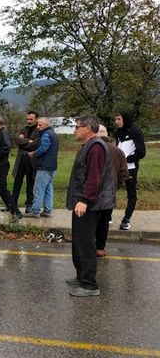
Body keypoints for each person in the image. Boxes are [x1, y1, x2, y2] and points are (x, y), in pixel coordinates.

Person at [66, 115, 115, 297]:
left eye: (77, 127)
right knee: (79, 242)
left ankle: (89, 285)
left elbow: (94, 177)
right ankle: (81, 277)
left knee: (85, 243)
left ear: (87, 128)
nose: (74, 130)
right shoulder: (89, 146)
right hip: (85, 202)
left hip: (90, 204)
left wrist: (84, 200)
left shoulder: (95, 147)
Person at [95, 124, 129, 257]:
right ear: (107, 135)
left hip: (93, 191)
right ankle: (100, 247)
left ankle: (91, 245)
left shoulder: (90, 149)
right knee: (104, 221)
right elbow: (124, 173)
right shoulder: (118, 151)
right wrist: (116, 185)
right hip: (110, 191)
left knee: (92, 220)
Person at [0, 115, 22, 220]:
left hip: (1, 166)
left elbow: (7, 147)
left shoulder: (3, 133)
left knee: (2, 190)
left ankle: (16, 212)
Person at [115, 111, 146, 231]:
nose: (116, 122)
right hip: (117, 167)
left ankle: (126, 220)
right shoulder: (118, 132)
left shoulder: (136, 132)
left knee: (131, 194)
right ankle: (107, 216)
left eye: (118, 119)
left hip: (131, 168)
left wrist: (127, 159)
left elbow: (141, 152)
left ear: (125, 119)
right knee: (109, 190)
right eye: (116, 119)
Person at [25, 117, 58, 218]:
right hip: (52, 167)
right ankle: (47, 210)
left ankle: (35, 211)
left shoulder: (46, 134)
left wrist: (33, 154)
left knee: (38, 189)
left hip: (44, 166)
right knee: (48, 188)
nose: (38, 127)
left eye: (40, 125)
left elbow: (44, 148)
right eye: (38, 125)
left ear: (47, 125)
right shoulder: (53, 134)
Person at [9, 110, 39, 211]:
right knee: (17, 181)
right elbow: (17, 141)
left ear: (36, 119)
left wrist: (24, 140)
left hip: (31, 159)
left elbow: (34, 145)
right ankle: (13, 204)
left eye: (31, 119)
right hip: (21, 158)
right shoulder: (23, 128)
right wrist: (28, 140)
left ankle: (29, 205)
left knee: (30, 182)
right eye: (27, 119)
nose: (29, 121)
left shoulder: (39, 130)